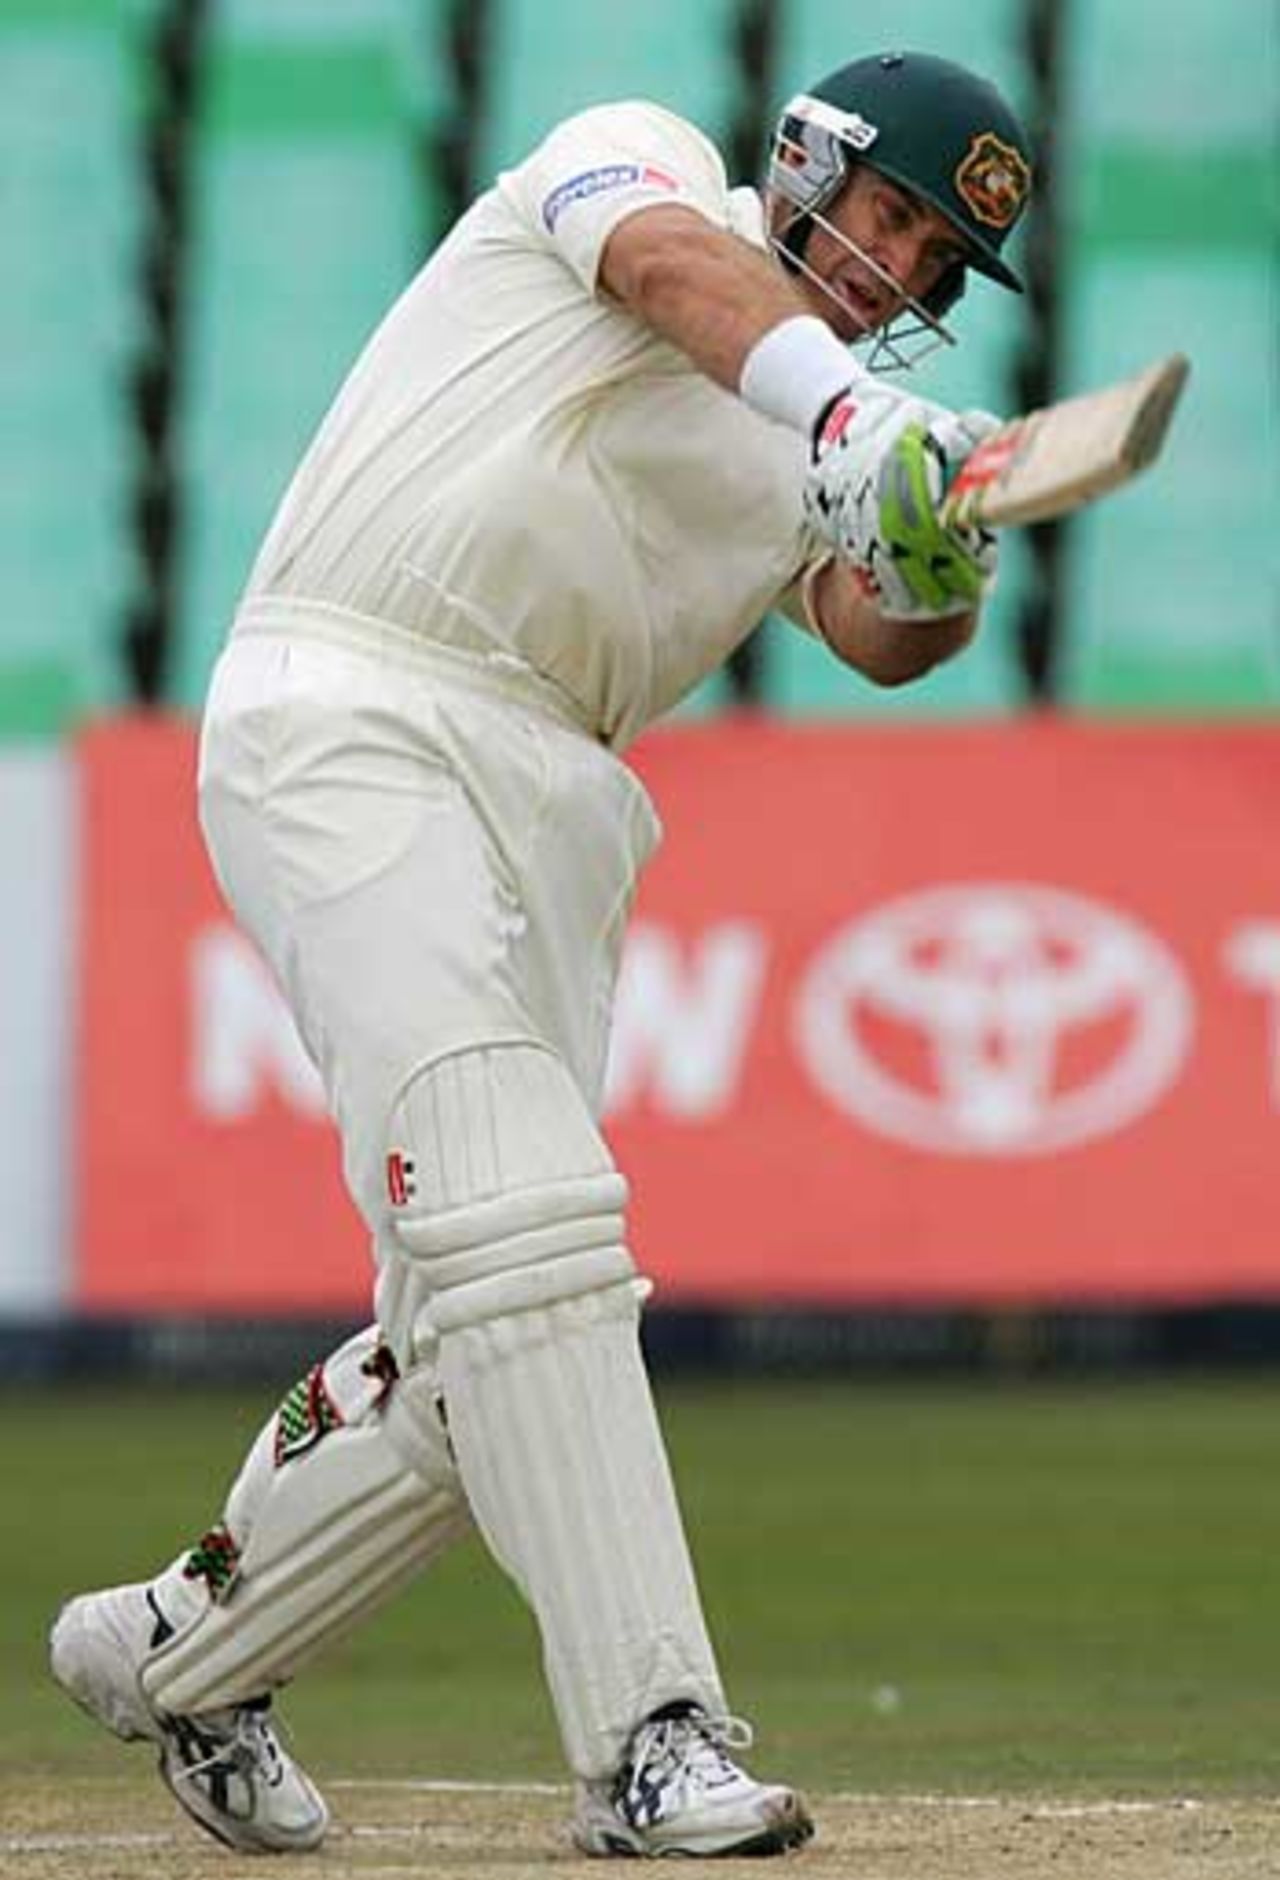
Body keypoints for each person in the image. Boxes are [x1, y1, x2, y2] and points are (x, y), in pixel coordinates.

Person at [51, 49, 1032, 1859]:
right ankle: (652, 1740)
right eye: (889, 213)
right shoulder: (637, 163)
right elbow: (673, 275)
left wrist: (936, 536)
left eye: (935, 265)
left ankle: (182, 1655)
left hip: (565, 803)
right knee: (521, 1219)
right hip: (353, 703)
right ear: (805, 161)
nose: (898, 269)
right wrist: (849, 427)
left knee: (478, 1331)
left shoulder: (820, 430)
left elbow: (878, 633)